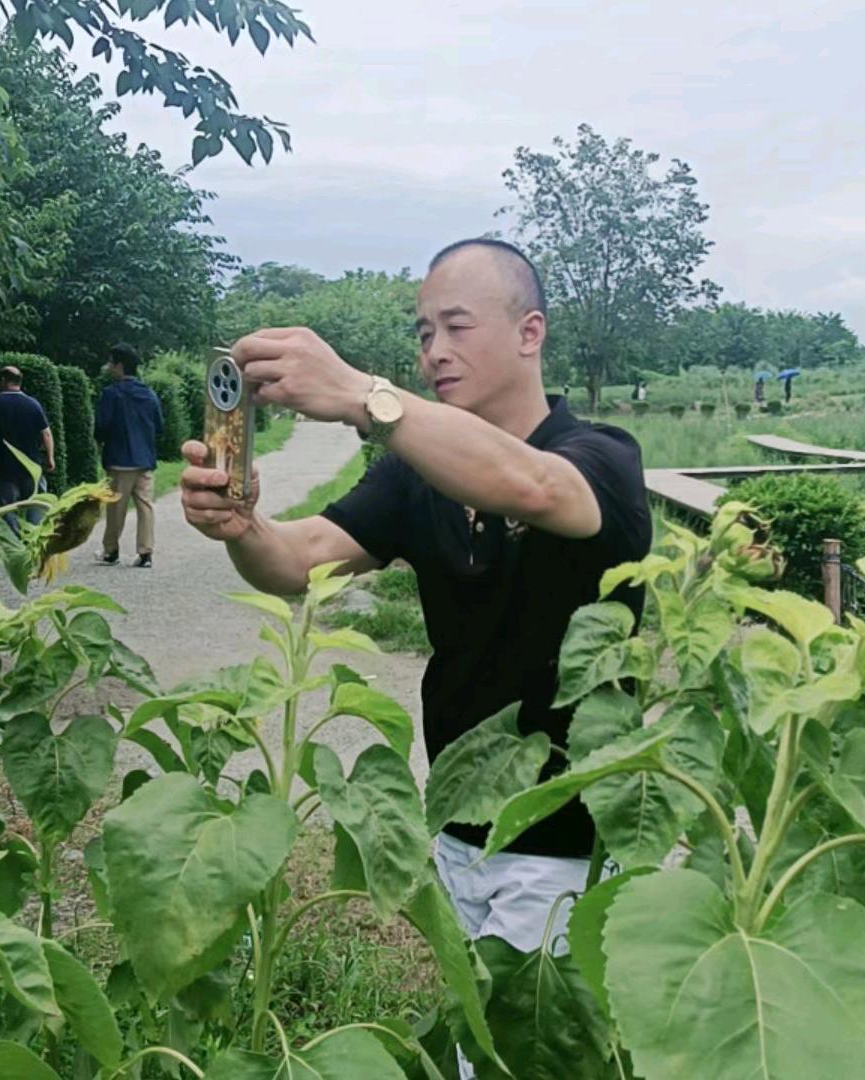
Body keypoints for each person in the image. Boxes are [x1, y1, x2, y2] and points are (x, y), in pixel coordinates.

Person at [179, 239, 652, 962]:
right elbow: (299, 560)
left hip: (566, 839)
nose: (434, 351)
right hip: (457, 824)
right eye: (424, 333)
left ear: (531, 332)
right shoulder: (415, 474)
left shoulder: (601, 458)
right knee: (476, 1050)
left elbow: (534, 488)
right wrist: (242, 526)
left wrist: (361, 396)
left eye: (456, 327)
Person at [94, 343, 163, 568]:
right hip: (145, 460)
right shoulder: (149, 394)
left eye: (111, 362)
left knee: (116, 508)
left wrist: (100, 443)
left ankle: (111, 551)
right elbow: (159, 426)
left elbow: (102, 426)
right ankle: (145, 553)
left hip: (119, 459)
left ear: (120, 366)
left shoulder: (110, 394)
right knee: (145, 507)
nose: (108, 367)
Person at [0, 365, 55, 535]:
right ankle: (34, 537)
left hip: (5, 468)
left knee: (6, 508)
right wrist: (50, 457)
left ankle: (16, 537)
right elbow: (46, 434)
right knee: (36, 503)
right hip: (32, 467)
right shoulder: (33, 404)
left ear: (3, 381)